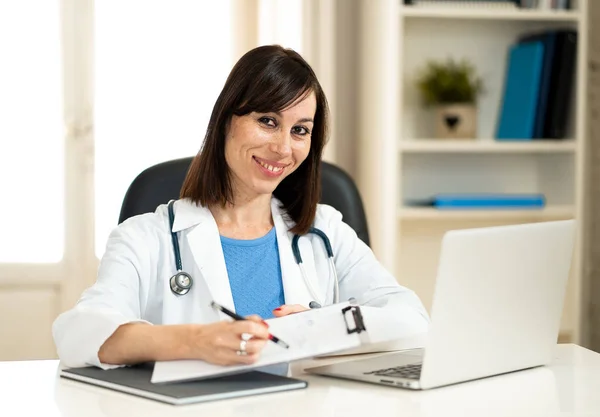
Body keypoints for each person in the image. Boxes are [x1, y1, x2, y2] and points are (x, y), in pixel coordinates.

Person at [52, 45, 429, 370]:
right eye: (268, 121)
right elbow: (79, 334)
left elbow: (413, 321)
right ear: (225, 122)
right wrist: (194, 341)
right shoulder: (145, 237)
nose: (283, 148)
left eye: (300, 130)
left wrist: (331, 324)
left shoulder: (325, 231)